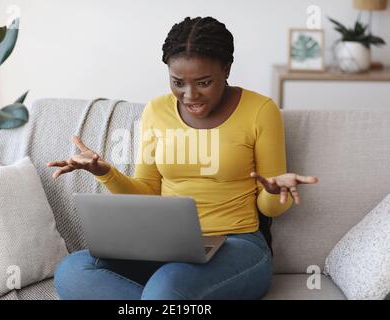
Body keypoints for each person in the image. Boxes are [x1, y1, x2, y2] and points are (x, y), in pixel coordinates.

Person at [48, 16, 319, 300]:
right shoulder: (156, 111)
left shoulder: (261, 110)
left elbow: (269, 207)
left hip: (238, 245)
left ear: (226, 69)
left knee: (167, 287)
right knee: (73, 270)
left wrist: (274, 192)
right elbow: (148, 192)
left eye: (203, 82)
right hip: (167, 246)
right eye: (178, 82)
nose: (190, 95)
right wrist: (105, 172)